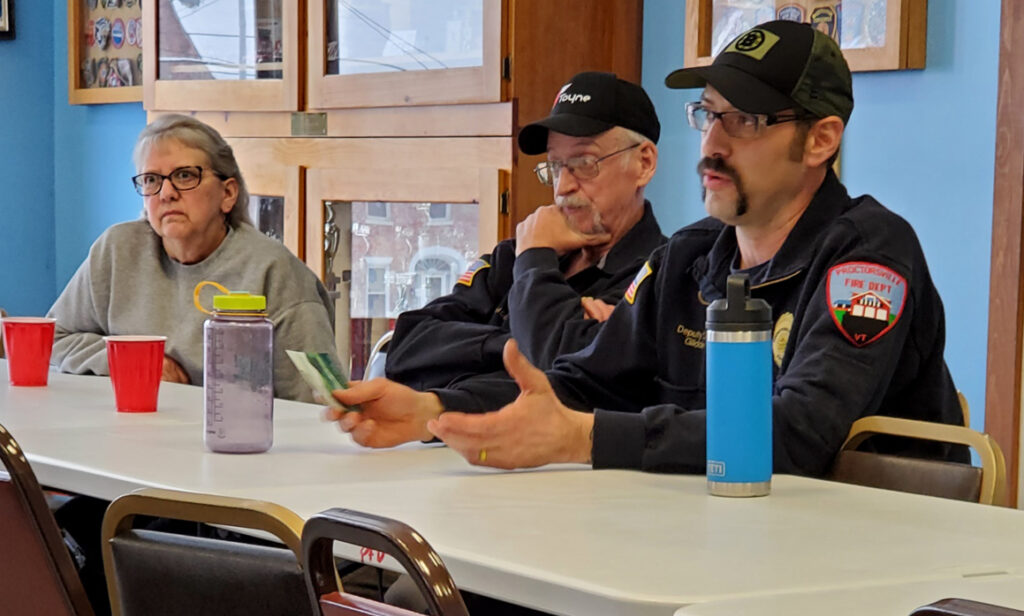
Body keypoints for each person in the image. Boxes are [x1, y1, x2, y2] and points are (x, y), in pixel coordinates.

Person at [329, 20, 966, 475]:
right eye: (708, 114)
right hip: (709, 549)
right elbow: (583, 385)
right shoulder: (690, 257)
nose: (712, 144)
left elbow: (799, 434)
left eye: (742, 121)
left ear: (822, 140)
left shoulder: (868, 258)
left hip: (854, 578)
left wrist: (583, 439)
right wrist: (437, 412)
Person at [384, 71, 666, 390]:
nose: (563, 186)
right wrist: (515, 344)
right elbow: (407, 345)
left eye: (585, 163)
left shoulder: (660, 276)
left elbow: (578, 389)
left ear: (643, 164)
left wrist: (534, 262)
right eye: (556, 165)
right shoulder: (515, 254)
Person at [48, 114, 339, 403]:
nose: (166, 193)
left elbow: (316, 404)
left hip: (236, 439)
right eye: (151, 180)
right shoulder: (117, 250)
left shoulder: (275, 273)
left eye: (185, 176)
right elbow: (52, 339)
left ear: (228, 193)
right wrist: (134, 361)